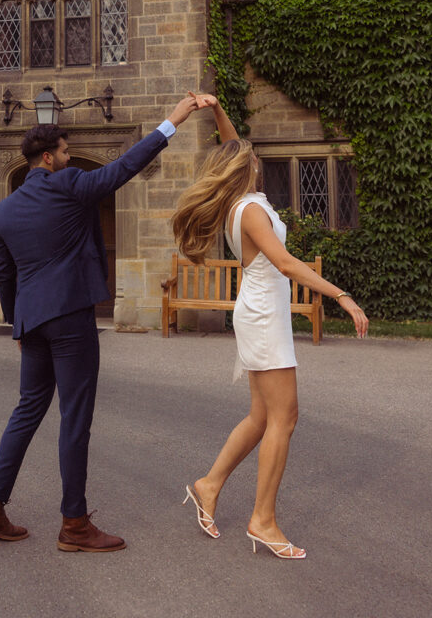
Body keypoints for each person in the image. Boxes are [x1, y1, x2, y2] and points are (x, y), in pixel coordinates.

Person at [0, 95, 200, 552]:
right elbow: (124, 167)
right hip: (72, 317)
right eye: (67, 151)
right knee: (75, 418)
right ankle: (74, 524)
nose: (70, 157)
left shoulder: (5, 210)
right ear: (49, 157)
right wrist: (173, 121)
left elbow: (3, 273)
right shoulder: (69, 183)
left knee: (26, 412)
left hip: (32, 320)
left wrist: (18, 323)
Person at [172, 94, 368, 559]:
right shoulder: (252, 212)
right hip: (263, 316)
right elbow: (285, 263)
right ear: (244, 168)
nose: (254, 154)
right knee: (285, 417)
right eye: (250, 155)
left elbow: (231, 142)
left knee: (263, 417)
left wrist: (216, 108)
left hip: (260, 312)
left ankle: (208, 484)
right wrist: (341, 295)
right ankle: (262, 520)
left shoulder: (245, 199)